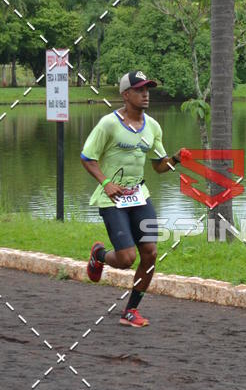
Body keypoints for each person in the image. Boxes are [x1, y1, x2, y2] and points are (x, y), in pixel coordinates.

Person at [80, 70, 186, 328]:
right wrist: (106, 183)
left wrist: (176, 159)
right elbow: (87, 157)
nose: (145, 94)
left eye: (147, 89)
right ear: (125, 95)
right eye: (139, 90)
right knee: (126, 259)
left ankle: (130, 311)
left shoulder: (153, 127)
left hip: (139, 196)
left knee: (150, 254)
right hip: (112, 199)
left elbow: (159, 166)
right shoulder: (108, 124)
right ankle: (100, 255)